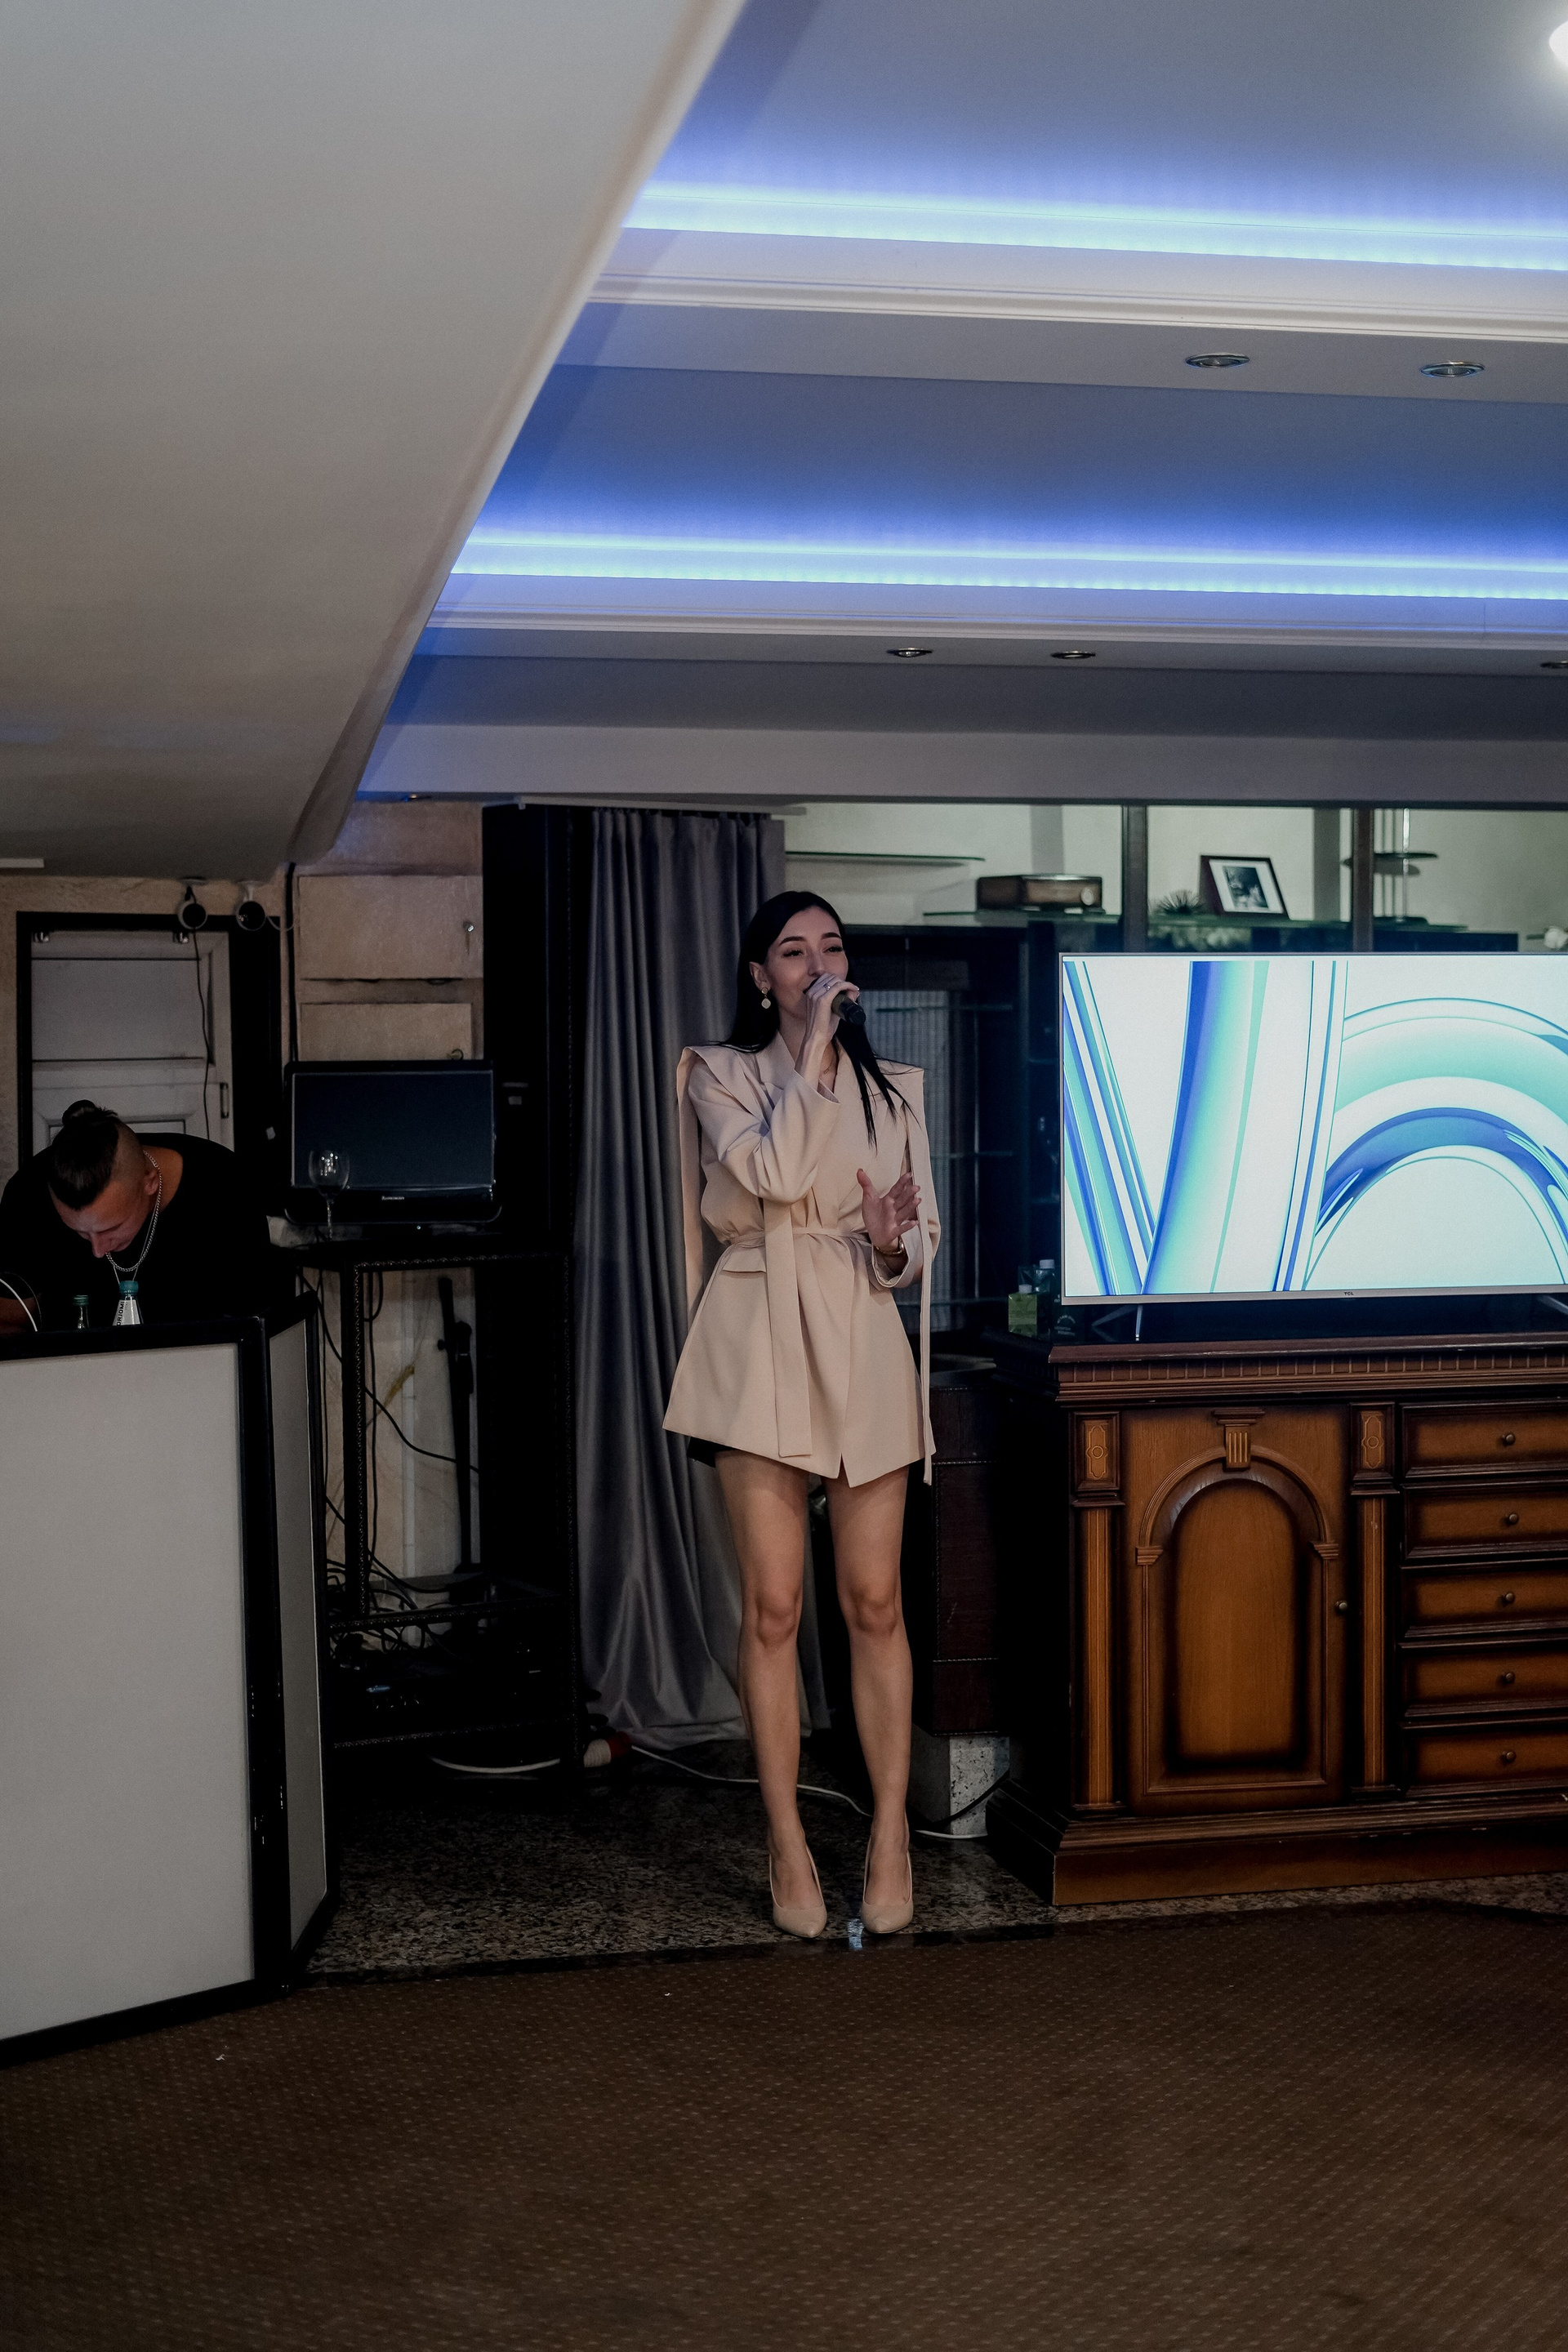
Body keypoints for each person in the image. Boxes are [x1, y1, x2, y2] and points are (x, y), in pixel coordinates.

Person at [665, 892, 939, 1941]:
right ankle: (785, 1838)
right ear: (760, 976)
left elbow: (920, 1244)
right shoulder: (720, 1074)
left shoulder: (896, 1089)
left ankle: (889, 1832)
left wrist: (890, 1242)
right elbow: (775, 1175)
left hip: (859, 1325)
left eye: (832, 947)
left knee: (875, 1601)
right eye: (794, 951)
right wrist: (817, 1051)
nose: (818, 964)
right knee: (774, 1607)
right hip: (757, 1330)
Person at [0, 1099, 277, 1333]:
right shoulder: (29, 1194)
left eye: (111, 1228)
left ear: (150, 1182)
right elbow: (10, 1323)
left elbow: (250, 1331)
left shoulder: (226, 1189)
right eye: (80, 1232)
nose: (98, 1250)